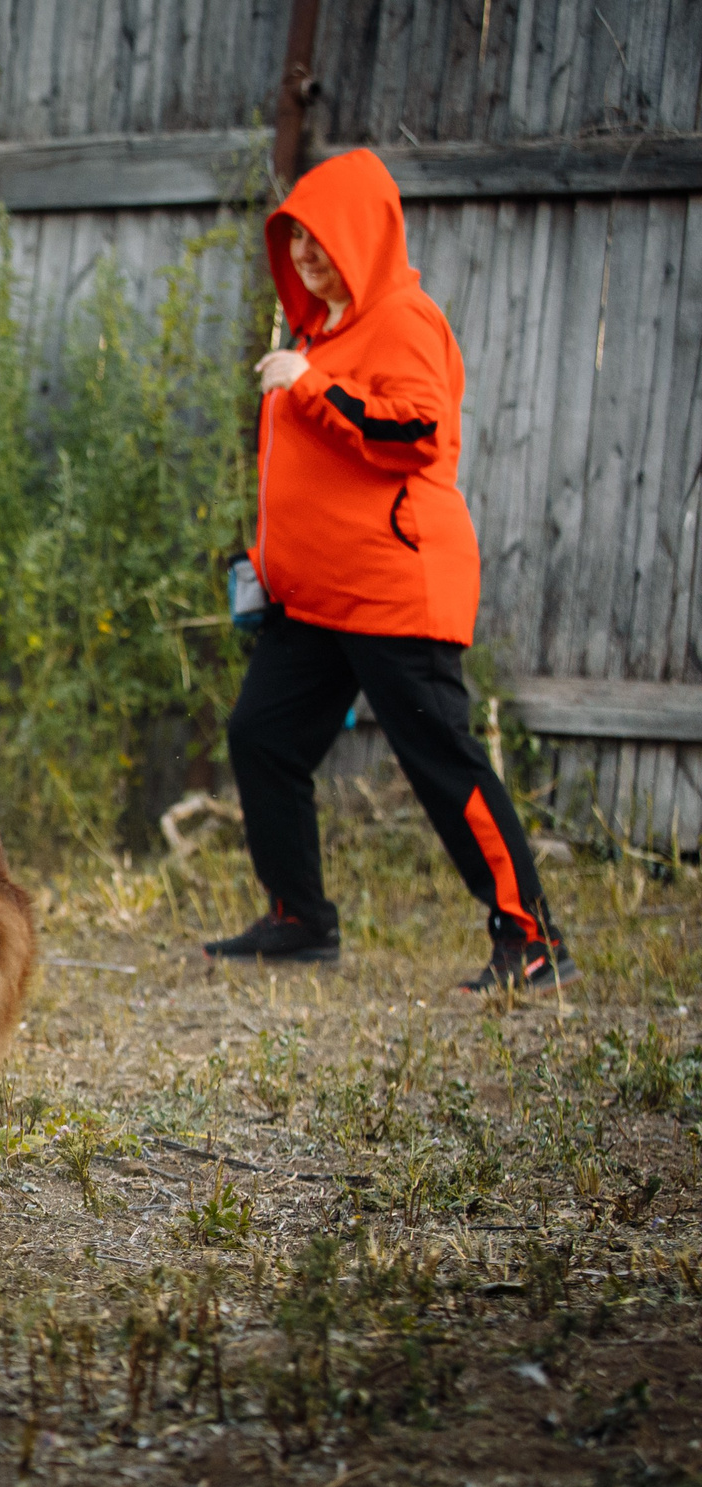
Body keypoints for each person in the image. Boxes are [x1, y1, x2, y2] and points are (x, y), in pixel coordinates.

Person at [204, 148, 576, 994]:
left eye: (321, 238)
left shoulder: (405, 320)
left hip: (395, 589)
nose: (306, 255)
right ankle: (300, 921)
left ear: (364, 237)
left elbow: (414, 433)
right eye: (296, 239)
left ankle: (532, 937)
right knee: (262, 735)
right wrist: (267, 562)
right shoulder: (319, 332)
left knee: (443, 761)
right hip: (317, 598)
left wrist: (310, 386)